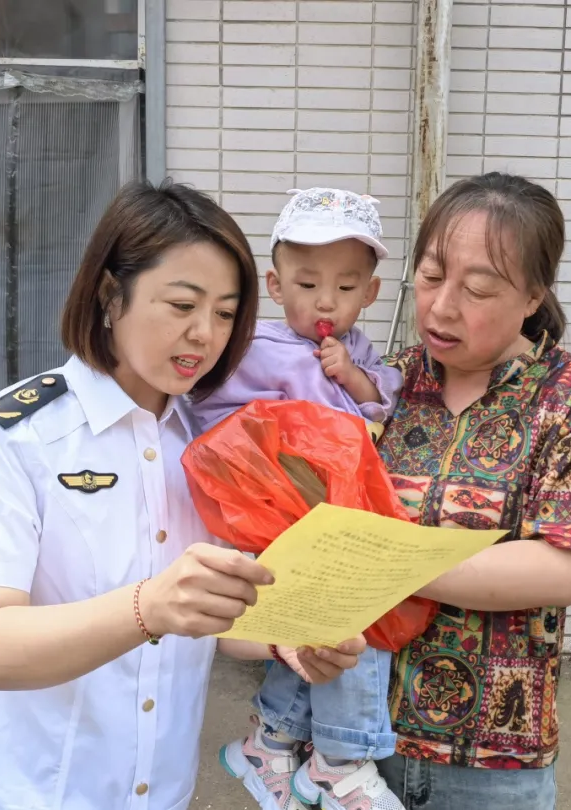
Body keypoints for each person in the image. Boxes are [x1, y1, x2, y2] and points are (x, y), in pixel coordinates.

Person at [0, 180, 365, 810]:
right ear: (110, 294)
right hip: (14, 792)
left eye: (226, 313)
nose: (205, 334)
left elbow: (212, 617)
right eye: (182, 305)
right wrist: (148, 607)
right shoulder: (18, 435)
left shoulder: (217, 444)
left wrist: (285, 640)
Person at [375, 173, 571, 810]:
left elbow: (558, 569)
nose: (441, 307)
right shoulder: (386, 384)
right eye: (431, 276)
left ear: (532, 296)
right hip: (353, 737)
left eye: (479, 289)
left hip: (493, 761)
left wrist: (383, 560)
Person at [190, 187, 406, 810]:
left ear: (370, 292)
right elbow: (213, 417)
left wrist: (351, 375)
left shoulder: (357, 348)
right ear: (276, 286)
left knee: (316, 628)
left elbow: (381, 401)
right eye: (308, 284)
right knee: (346, 614)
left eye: (345, 286)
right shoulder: (254, 348)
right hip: (278, 508)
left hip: (335, 504)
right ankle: (341, 757)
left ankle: (274, 737)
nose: (326, 301)